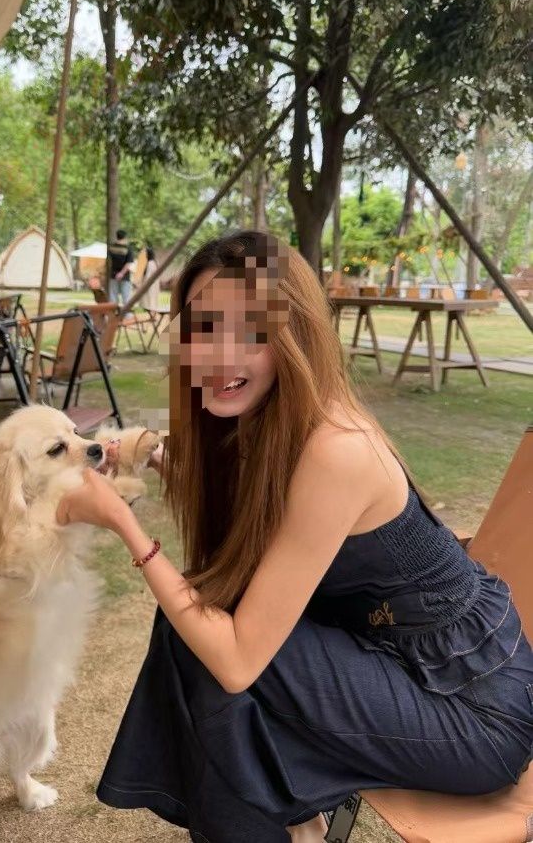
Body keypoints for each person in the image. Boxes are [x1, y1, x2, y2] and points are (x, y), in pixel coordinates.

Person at [57, 231, 533, 843]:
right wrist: (152, 455)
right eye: (203, 327)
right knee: (194, 621)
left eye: (249, 330)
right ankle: (278, 822)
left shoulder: (337, 450)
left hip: (470, 710)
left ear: (294, 335)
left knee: (200, 632)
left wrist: (125, 525)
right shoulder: (272, 419)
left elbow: (237, 662)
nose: (218, 355)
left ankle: (271, 822)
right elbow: (261, 525)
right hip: (389, 656)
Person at [108, 228, 135, 311]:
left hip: (113, 275)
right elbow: (128, 263)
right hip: (125, 276)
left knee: (113, 296)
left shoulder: (111, 247)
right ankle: (126, 314)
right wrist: (122, 273)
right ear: (125, 237)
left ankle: (113, 313)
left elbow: (109, 261)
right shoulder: (128, 248)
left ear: (117, 236)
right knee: (126, 296)